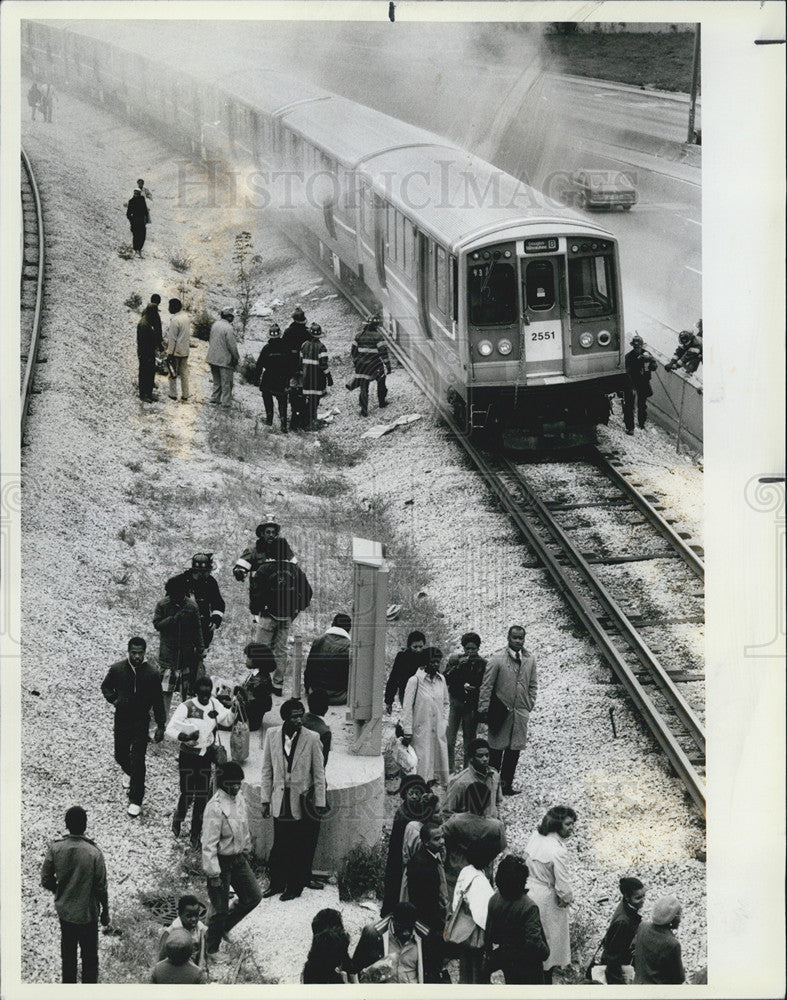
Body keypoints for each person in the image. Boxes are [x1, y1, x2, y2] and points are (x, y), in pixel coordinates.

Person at [260, 699, 327, 900]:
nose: (299, 720)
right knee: (280, 842)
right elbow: (266, 770)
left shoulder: (313, 738)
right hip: (280, 797)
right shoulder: (272, 735)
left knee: (298, 844)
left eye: (301, 716)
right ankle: (277, 883)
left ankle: (294, 887)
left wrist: (320, 803)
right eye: (294, 716)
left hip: (301, 800)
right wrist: (265, 800)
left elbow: (319, 773)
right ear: (285, 718)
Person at [40, 806, 109, 983]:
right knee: (90, 960)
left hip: (66, 913)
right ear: (85, 825)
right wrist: (105, 912)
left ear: (66, 824)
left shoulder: (56, 848)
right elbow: (101, 887)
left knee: (68, 959)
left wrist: (60, 891)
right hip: (88, 914)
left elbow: (46, 879)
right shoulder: (94, 852)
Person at [165, 675, 236, 847]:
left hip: (205, 755)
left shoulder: (213, 704)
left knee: (202, 795)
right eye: (202, 695)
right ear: (196, 693)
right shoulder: (186, 707)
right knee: (188, 792)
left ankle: (195, 834)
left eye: (207, 694)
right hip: (188, 756)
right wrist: (184, 736)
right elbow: (170, 728)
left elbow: (226, 718)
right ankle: (179, 817)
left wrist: (234, 708)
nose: (205, 698)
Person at [100, 637, 165, 817]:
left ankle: (136, 799)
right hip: (122, 719)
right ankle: (130, 773)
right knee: (120, 755)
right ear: (128, 652)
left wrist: (161, 725)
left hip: (141, 721)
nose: (137, 656)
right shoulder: (117, 669)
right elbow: (105, 687)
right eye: (133, 653)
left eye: (140, 653)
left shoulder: (152, 674)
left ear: (145, 653)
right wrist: (114, 699)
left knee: (138, 759)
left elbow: (158, 701)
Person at [201, 761, 262, 953]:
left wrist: (246, 848)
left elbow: (243, 826)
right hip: (220, 862)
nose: (236, 786)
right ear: (223, 783)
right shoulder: (215, 808)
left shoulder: (239, 798)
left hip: (237, 859)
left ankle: (222, 928)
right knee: (219, 910)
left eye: (239, 783)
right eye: (233, 783)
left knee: (253, 896)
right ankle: (210, 949)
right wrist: (214, 875)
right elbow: (208, 844)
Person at [477, 625, 537, 796]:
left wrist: (529, 703)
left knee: (514, 751)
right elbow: (487, 686)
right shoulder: (497, 659)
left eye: (521, 638)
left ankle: (506, 785)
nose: (518, 641)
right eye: (515, 637)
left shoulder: (529, 659)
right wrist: (484, 710)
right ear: (508, 638)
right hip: (500, 713)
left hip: (520, 713)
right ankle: (493, 787)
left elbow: (533, 684)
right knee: (496, 751)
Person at [249, 538, 313, 695]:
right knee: (281, 650)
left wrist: (256, 611)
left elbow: (255, 591)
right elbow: (307, 592)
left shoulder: (264, 569)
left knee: (261, 649)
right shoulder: (295, 569)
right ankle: (278, 685)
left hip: (267, 615)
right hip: (286, 617)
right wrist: (296, 610)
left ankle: (259, 680)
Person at [525, 805, 577, 983]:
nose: (572, 828)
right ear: (557, 824)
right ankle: (545, 980)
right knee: (550, 941)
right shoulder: (558, 851)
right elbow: (563, 885)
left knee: (533, 936)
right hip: (547, 896)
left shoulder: (536, 836)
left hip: (529, 889)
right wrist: (568, 899)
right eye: (568, 824)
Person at [484, 854, 549, 985]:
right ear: (522, 881)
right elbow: (534, 943)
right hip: (529, 965)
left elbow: (490, 934)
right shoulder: (529, 907)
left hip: (507, 959)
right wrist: (545, 952)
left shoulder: (494, 899)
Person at [153, 574, 205, 717]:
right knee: (165, 692)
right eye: (174, 595)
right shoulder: (162, 605)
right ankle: (162, 722)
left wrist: (201, 648)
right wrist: (173, 619)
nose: (177, 598)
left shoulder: (192, 606)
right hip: (167, 656)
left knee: (186, 692)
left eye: (181, 595)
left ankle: (185, 720)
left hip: (185, 657)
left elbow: (197, 628)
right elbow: (157, 624)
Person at [441, 781, 506, 897]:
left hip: (456, 872)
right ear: (487, 803)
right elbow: (500, 848)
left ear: (466, 800)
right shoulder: (496, 826)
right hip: (482, 871)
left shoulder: (455, 821)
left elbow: (441, 839)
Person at [405, 821, 449, 983]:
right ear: (426, 842)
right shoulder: (422, 865)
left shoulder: (432, 856)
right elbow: (425, 901)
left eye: (442, 837)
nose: (442, 841)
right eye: (437, 839)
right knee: (430, 961)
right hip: (428, 922)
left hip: (432, 921)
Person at [381, 774, 429, 917]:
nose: (414, 796)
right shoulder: (403, 814)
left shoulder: (418, 809)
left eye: (418, 793)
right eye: (411, 793)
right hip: (401, 857)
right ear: (405, 794)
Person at [401, 646, 449, 787]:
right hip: (420, 727)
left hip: (438, 728)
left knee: (437, 757)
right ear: (424, 663)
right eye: (432, 662)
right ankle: (420, 787)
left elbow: (446, 703)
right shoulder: (415, 681)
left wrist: (444, 722)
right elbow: (407, 707)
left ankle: (433, 785)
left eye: (437, 662)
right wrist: (407, 730)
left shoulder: (442, 680)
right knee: (421, 759)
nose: (435, 665)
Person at [451, 839, 498, 984]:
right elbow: (482, 915)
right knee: (478, 974)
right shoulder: (480, 882)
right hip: (476, 934)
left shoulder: (466, 871)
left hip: (464, 929)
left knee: (465, 970)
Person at [301, 688, 333, 889]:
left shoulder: (299, 721)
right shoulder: (324, 731)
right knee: (309, 835)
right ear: (327, 708)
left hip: (293, 785)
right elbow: (322, 764)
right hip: (312, 787)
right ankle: (305, 875)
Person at [443, 631, 486, 772]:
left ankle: (468, 770)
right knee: (449, 739)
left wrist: (476, 690)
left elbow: (486, 685)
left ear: (478, 648)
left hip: (471, 706)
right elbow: (445, 679)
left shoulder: (483, 664)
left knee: (469, 740)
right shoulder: (455, 660)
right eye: (467, 648)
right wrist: (457, 667)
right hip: (455, 702)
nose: (470, 652)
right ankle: (449, 770)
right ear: (463, 648)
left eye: (473, 649)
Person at [171, 553, 226, 650]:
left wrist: (215, 619)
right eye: (208, 571)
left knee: (198, 657)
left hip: (203, 627)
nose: (209, 573)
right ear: (200, 572)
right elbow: (169, 605)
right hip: (182, 628)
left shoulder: (210, 582)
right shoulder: (179, 582)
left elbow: (218, 603)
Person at [599, 876, 646, 984]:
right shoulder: (623, 923)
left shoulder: (626, 907)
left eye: (644, 896)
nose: (643, 900)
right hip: (618, 971)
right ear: (627, 897)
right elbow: (613, 959)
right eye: (638, 898)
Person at [444, 738, 503, 820]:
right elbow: (447, 812)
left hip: (491, 827)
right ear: (471, 758)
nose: (485, 759)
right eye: (480, 756)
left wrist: (499, 821)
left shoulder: (495, 776)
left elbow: (498, 802)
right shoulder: (460, 782)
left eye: (487, 755)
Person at [633, 895, 685, 985]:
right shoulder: (672, 944)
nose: (680, 919)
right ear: (672, 918)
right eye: (679, 914)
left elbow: (634, 952)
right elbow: (679, 978)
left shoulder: (642, 926)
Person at [254, 322, 296, 432]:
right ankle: (283, 425)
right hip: (282, 379)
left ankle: (269, 419)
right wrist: (289, 378)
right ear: (280, 334)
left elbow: (259, 365)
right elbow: (292, 365)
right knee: (282, 401)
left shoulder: (266, 349)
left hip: (268, 378)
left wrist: (256, 378)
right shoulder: (286, 348)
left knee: (267, 398)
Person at [349, 314, 392, 417]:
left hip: (362, 366)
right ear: (376, 325)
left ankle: (364, 411)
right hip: (375, 365)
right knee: (381, 382)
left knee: (364, 388)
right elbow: (383, 353)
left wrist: (356, 363)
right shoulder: (378, 337)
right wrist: (388, 366)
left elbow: (353, 352)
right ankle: (382, 402)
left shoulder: (358, 335)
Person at [303, 613, 351, 705]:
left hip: (315, 693)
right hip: (338, 696)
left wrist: (307, 689)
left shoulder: (318, 640)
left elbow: (309, 669)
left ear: (332, 624)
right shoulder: (349, 646)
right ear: (349, 629)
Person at [158, 894, 207, 973]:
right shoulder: (170, 932)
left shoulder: (200, 929)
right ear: (179, 914)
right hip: (176, 971)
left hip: (195, 971)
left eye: (196, 915)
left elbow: (203, 954)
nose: (194, 919)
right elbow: (161, 959)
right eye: (189, 916)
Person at [236, 642, 275, 731]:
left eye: (248, 657)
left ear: (256, 660)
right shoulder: (259, 674)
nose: (246, 660)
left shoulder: (260, 681)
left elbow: (249, 704)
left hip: (249, 721)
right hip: (250, 715)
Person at [622, 334, 657, 434]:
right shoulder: (628, 357)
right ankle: (630, 427)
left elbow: (654, 365)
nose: (637, 348)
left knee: (642, 405)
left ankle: (641, 424)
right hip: (631, 382)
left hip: (643, 382)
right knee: (629, 405)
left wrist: (651, 363)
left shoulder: (647, 354)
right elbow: (626, 372)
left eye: (639, 346)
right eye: (635, 346)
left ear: (642, 346)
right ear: (633, 346)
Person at [205, 307, 239, 408]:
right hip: (224, 360)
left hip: (212, 357)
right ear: (229, 317)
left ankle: (215, 399)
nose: (233, 318)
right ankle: (226, 403)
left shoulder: (215, 324)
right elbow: (232, 346)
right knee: (226, 383)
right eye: (232, 316)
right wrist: (236, 357)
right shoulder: (229, 328)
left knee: (217, 381)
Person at [384, 631, 426, 713]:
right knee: (410, 714)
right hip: (406, 691)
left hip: (423, 691)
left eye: (421, 646)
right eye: (415, 647)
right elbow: (394, 678)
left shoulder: (426, 656)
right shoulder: (402, 657)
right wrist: (389, 701)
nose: (418, 650)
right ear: (409, 646)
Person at [301, 322, 332, 428]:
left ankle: (306, 420)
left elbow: (300, 361)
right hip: (318, 380)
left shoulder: (304, 345)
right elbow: (324, 365)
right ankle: (311, 421)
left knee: (308, 400)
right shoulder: (321, 347)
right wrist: (329, 377)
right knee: (315, 401)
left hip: (306, 379)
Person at [166, 298, 192, 402]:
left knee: (172, 373)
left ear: (173, 307)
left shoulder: (175, 320)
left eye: (169, 306)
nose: (168, 308)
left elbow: (172, 338)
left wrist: (169, 352)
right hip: (185, 350)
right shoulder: (186, 317)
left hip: (176, 351)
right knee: (184, 373)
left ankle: (173, 394)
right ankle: (185, 394)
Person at [136, 303, 163, 402]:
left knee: (150, 372)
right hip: (145, 353)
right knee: (144, 373)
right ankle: (143, 395)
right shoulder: (144, 324)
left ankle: (149, 393)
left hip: (149, 352)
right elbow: (143, 342)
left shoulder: (148, 322)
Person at [126, 188, 150, 257]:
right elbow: (128, 213)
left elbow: (145, 211)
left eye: (137, 193)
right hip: (135, 221)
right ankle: (135, 250)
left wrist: (146, 219)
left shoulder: (142, 200)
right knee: (136, 236)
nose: (136, 194)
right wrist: (131, 220)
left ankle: (139, 250)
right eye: (135, 193)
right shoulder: (131, 201)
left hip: (142, 221)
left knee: (142, 236)